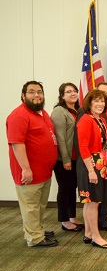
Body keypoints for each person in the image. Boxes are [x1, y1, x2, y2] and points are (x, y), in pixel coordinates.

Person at [6, 81, 58, 247]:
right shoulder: (19, 116)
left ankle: (36, 229)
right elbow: (17, 144)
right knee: (31, 206)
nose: (37, 95)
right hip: (29, 172)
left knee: (39, 205)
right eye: (32, 92)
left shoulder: (42, 113)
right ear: (23, 96)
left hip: (43, 171)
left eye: (39, 92)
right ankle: (35, 238)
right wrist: (26, 169)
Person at [74, 82, 107, 232]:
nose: (101, 103)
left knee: (93, 200)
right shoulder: (86, 118)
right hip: (91, 164)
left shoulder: (101, 118)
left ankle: (89, 233)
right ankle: (95, 235)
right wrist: (91, 170)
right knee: (92, 201)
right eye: (97, 100)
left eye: (103, 100)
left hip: (102, 163)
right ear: (90, 101)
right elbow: (82, 146)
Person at [51, 82, 84, 232]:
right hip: (64, 159)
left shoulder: (78, 110)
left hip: (77, 158)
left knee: (72, 188)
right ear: (62, 96)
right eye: (68, 91)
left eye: (74, 91)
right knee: (65, 189)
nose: (73, 93)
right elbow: (60, 137)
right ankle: (64, 220)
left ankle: (72, 217)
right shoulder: (59, 111)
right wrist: (65, 159)